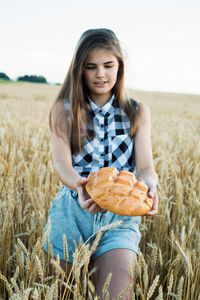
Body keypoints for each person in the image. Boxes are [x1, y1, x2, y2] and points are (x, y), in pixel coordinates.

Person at [43, 28, 158, 299]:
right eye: (90, 67)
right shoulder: (64, 108)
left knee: (118, 294)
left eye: (108, 65)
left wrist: (150, 186)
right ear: (79, 69)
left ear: (120, 66)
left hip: (121, 217)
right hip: (73, 210)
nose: (101, 74)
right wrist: (80, 185)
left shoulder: (137, 111)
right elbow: (61, 163)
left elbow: (145, 166)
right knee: (62, 294)